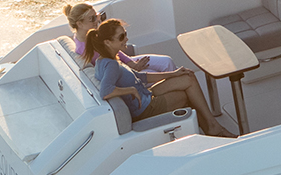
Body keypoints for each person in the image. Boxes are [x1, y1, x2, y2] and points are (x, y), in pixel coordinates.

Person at [83, 20, 227, 135]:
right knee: (186, 94)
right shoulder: (111, 65)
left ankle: (211, 126)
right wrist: (131, 90)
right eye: (121, 37)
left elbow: (141, 76)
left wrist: (174, 73)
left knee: (187, 76)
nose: (126, 38)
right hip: (145, 109)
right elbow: (105, 91)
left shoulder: (107, 59)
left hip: (146, 94)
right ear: (107, 42)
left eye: (125, 33)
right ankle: (212, 127)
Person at [63, 2, 175, 71]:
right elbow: (110, 68)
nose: (97, 21)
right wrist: (132, 68)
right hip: (121, 71)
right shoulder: (83, 49)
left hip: (126, 63)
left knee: (167, 62)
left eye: (97, 16)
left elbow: (114, 51)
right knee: (156, 73)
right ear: (79, 24)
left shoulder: (93, 34)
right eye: (92, 19)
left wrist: (131, 63)